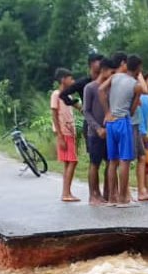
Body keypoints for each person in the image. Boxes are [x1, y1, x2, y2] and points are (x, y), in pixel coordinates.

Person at [100, 53, 144, 207]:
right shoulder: (136, 85)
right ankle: (122, 198)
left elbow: (101, 90)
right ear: (138, 68)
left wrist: (107, 112)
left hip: (110, 123)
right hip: (123, 122)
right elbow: (132, 110)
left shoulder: (115, 77)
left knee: (113, 161)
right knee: (125, 160)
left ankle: (112, 198)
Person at [83, 57, 116, 205]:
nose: (113, 75)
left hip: (110, 132)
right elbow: (86, 111)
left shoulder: (112, 88)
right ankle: (93, 194)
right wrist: (97, 128)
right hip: (95, 132)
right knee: (94, 163)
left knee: (111, 162)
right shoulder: (90, 88)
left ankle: (108, 193)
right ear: (104, 70)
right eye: (112, 72)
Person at [130, 58, 148, 202]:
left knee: (142, 158)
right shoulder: (137, 90)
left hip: (141, 129)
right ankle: (127, 192)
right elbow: (138, 112)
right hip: (136, 128)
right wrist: (143, 131)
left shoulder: (147, 97)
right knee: (127, 160)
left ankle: (143, 191)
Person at [50, 69, 80, 202]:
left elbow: (78, 107)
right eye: (70, 78)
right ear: (63, 79)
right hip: (64, 132)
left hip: (70, 132)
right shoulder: (56, 94)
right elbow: (54, 115)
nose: (72, 81)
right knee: (73, 161)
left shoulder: (67, 96)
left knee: (68, 162)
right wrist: (60, 136)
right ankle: (66, 193)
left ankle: (67, 192)